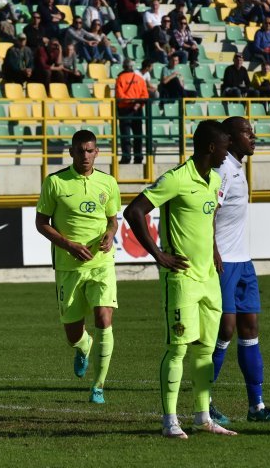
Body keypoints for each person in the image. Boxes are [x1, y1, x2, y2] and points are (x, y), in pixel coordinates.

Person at [123, 120, 236, 438]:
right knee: (178, 349)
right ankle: (169, 420)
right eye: (225, 147)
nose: (228, 154)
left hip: (209, 278)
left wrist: (213, 250)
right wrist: (159, 255)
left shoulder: (213, 180)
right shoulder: (176, 178)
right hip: (182, 279)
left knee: (204, 350)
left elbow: (209, 216)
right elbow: (134, 211)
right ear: (211, 147)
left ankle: (202, 417)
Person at [210, 118, 270, 425]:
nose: (253, 138)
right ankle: (205, 404)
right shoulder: (222, 171)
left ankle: (256, 407)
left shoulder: (237, 168)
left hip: (243, 261)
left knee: (249, 328)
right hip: (223, 262)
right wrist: (214, 252)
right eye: (247, 133)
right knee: (225, 329)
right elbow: (209, 212)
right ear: (230, 138)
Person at [35, 130, 120, 404]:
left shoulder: (108, 183)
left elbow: (112, 219)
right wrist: (68, 244)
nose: (85, 155)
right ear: (71, 152)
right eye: (80, 150)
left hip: (102, 264)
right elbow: (41, 223)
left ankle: (99, 386)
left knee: (104, 319)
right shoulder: (55, 182)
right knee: (73, 333)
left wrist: (110, 233)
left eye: (90, 150)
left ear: (97, 152)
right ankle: (83, 348)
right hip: (68, 266)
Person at [115, 59, 148, 165]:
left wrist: (130, 101)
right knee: (138, 134)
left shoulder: (120, 78)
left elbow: (120, 96)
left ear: (124, 67)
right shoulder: (139, 78)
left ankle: (126, 157)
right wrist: (137, 103)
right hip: (137, 109)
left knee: (126, 135)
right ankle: (138, 157)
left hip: (125, 109)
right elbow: (145, 96)